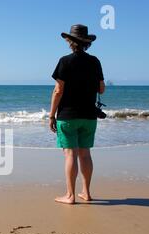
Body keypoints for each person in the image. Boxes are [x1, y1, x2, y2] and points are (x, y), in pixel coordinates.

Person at [49, 24, 105, 204]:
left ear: (70, 41)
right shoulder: (95, 61)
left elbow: (58, 90)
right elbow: (101, 89)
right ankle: (86, 193)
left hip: (68, 115)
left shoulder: (65, 61)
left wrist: (51, 116)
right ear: (87, 42)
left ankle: (70, 196)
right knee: (85, 154)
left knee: (70, 155)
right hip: (89, 115)